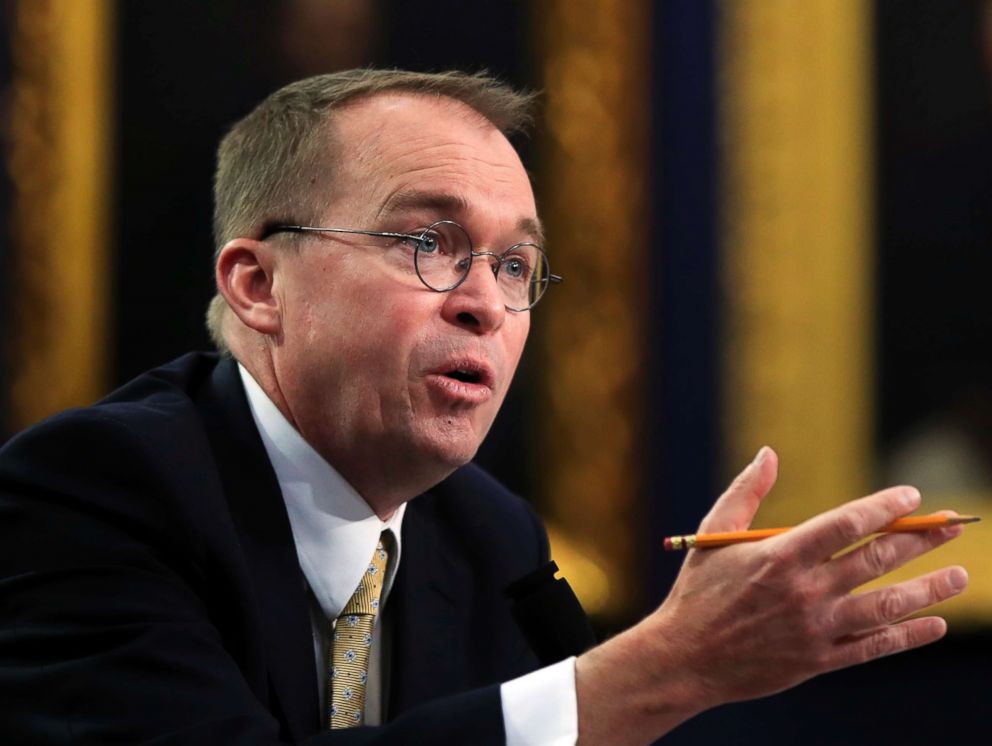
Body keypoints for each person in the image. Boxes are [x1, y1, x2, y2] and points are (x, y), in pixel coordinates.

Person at [0, 69, 969, 745]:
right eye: (428, 240)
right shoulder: (89, 492)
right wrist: (662, 667)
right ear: (257, 282)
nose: (482, 301)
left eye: (514, 264)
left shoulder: (486, 533)